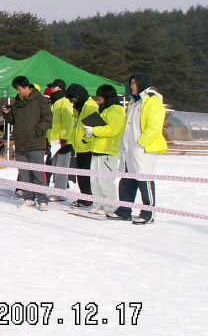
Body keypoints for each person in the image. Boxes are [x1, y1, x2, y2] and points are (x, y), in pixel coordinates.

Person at [107, 73, 167, 225]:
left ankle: (148, 213)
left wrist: (140, 144)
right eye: (130, 83)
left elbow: (154, 127)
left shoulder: (152, 101)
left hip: (143, 150)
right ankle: (124, 210)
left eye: (133, 83)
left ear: (141, 83)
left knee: (144, 180)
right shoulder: (134, 102)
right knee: (127, 181)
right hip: (129, 149)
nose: (131, 86)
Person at [2, 76, 52, 212]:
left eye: (19, 89)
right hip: (21, 143)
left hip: (36, 143)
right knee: (24, 174)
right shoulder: (18, 102)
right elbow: (13, 120)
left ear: (26, 87)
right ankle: (29, 197)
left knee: (38, 173)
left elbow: (47, 119)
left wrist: (37, 131)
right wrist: (7, 113)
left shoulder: (41, 100)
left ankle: (42, 199)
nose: (18, 92)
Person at [84, 84, 125, 216]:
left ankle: (110, 206)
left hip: (108, 152)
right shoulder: (104, 109)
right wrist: (89, 135)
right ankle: (98, 203)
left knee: (105, 181)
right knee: (95, 181)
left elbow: (112, 129)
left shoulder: (116, 110)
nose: (98, 99)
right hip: (97, 150)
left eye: (100, 96)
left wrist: (94, 130)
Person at [65, 83, 99, 208]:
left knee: (85, 174)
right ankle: (83, 195)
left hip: (87, 147)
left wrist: (85, 140)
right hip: (79, 146)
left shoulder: (90, 106)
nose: (73, 102)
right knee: (80, 173)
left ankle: (87, 197)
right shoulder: (80, 107)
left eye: (73, 99)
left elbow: (93, 126)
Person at [46, 79, 74, 201]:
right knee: (54, 167)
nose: (52, 88)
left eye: (54, 86)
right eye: (51, 86)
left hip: (63, 141)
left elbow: (68, 122)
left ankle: (60, 193)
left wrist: (64, 137)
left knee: (61, 168)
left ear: (61, 88)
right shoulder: (54, 102)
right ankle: (57, 191)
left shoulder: (65, 102)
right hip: (54, 140)